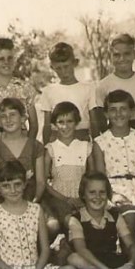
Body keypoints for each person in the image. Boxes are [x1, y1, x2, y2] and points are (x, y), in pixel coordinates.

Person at [0, 161, 80, 269]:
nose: (13, 190)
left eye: (17, 184)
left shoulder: (36, 209)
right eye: (6, 186)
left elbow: (45, 249)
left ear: (25, 184)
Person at [91, 90, 135, 259]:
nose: (118, 114)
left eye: (123, 109)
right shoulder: (101, 142)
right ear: (106, 113)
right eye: (113, 109)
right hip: (114, 191)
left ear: (132, 112)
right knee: (129, 215)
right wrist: (108, 197)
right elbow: (100, 176)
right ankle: (129, 261)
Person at [40, 101, 93, 238]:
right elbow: (44, 182)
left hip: (82, 198)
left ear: (77, 122)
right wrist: (65, 199)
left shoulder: (85, 147)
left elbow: (92, 177)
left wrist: (84, 198)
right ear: (54, 124)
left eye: (69, 121)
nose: (65, 126)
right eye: (60, 122)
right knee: (70, 223)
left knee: (89, 223)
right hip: (58, 198)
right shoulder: (50, 148)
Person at [0, 38, 39, 142]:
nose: (6, 62)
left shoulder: (25, 88)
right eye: (1, 59)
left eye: (10, 58)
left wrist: (28, 147)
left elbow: (34, 125)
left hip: (22, 139)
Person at [38, 42, 102, 143]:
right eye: (58, 68)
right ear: (52, 67)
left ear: (75, 63)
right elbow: (47, 125)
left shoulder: (88, 88)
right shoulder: (48, 91)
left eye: (66, 66)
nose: (63, 72)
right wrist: (45, 148)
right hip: (57, 142)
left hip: (82, 140)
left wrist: (97, 147)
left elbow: (94, 122)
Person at [0, 98, 45, 203]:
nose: (8, 119)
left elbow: (40, 182)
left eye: (12, 114)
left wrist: (34, 203)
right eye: (3, 116)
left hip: (34, 199)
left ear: (22, 118)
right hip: (5, 201)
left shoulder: (36, 146)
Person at [95, 34, 135, 133]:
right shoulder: (103, 85)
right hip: (116, 132)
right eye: (116, 55)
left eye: (127, 54)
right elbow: (101, 119)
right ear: (110, 56)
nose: (122, 59)